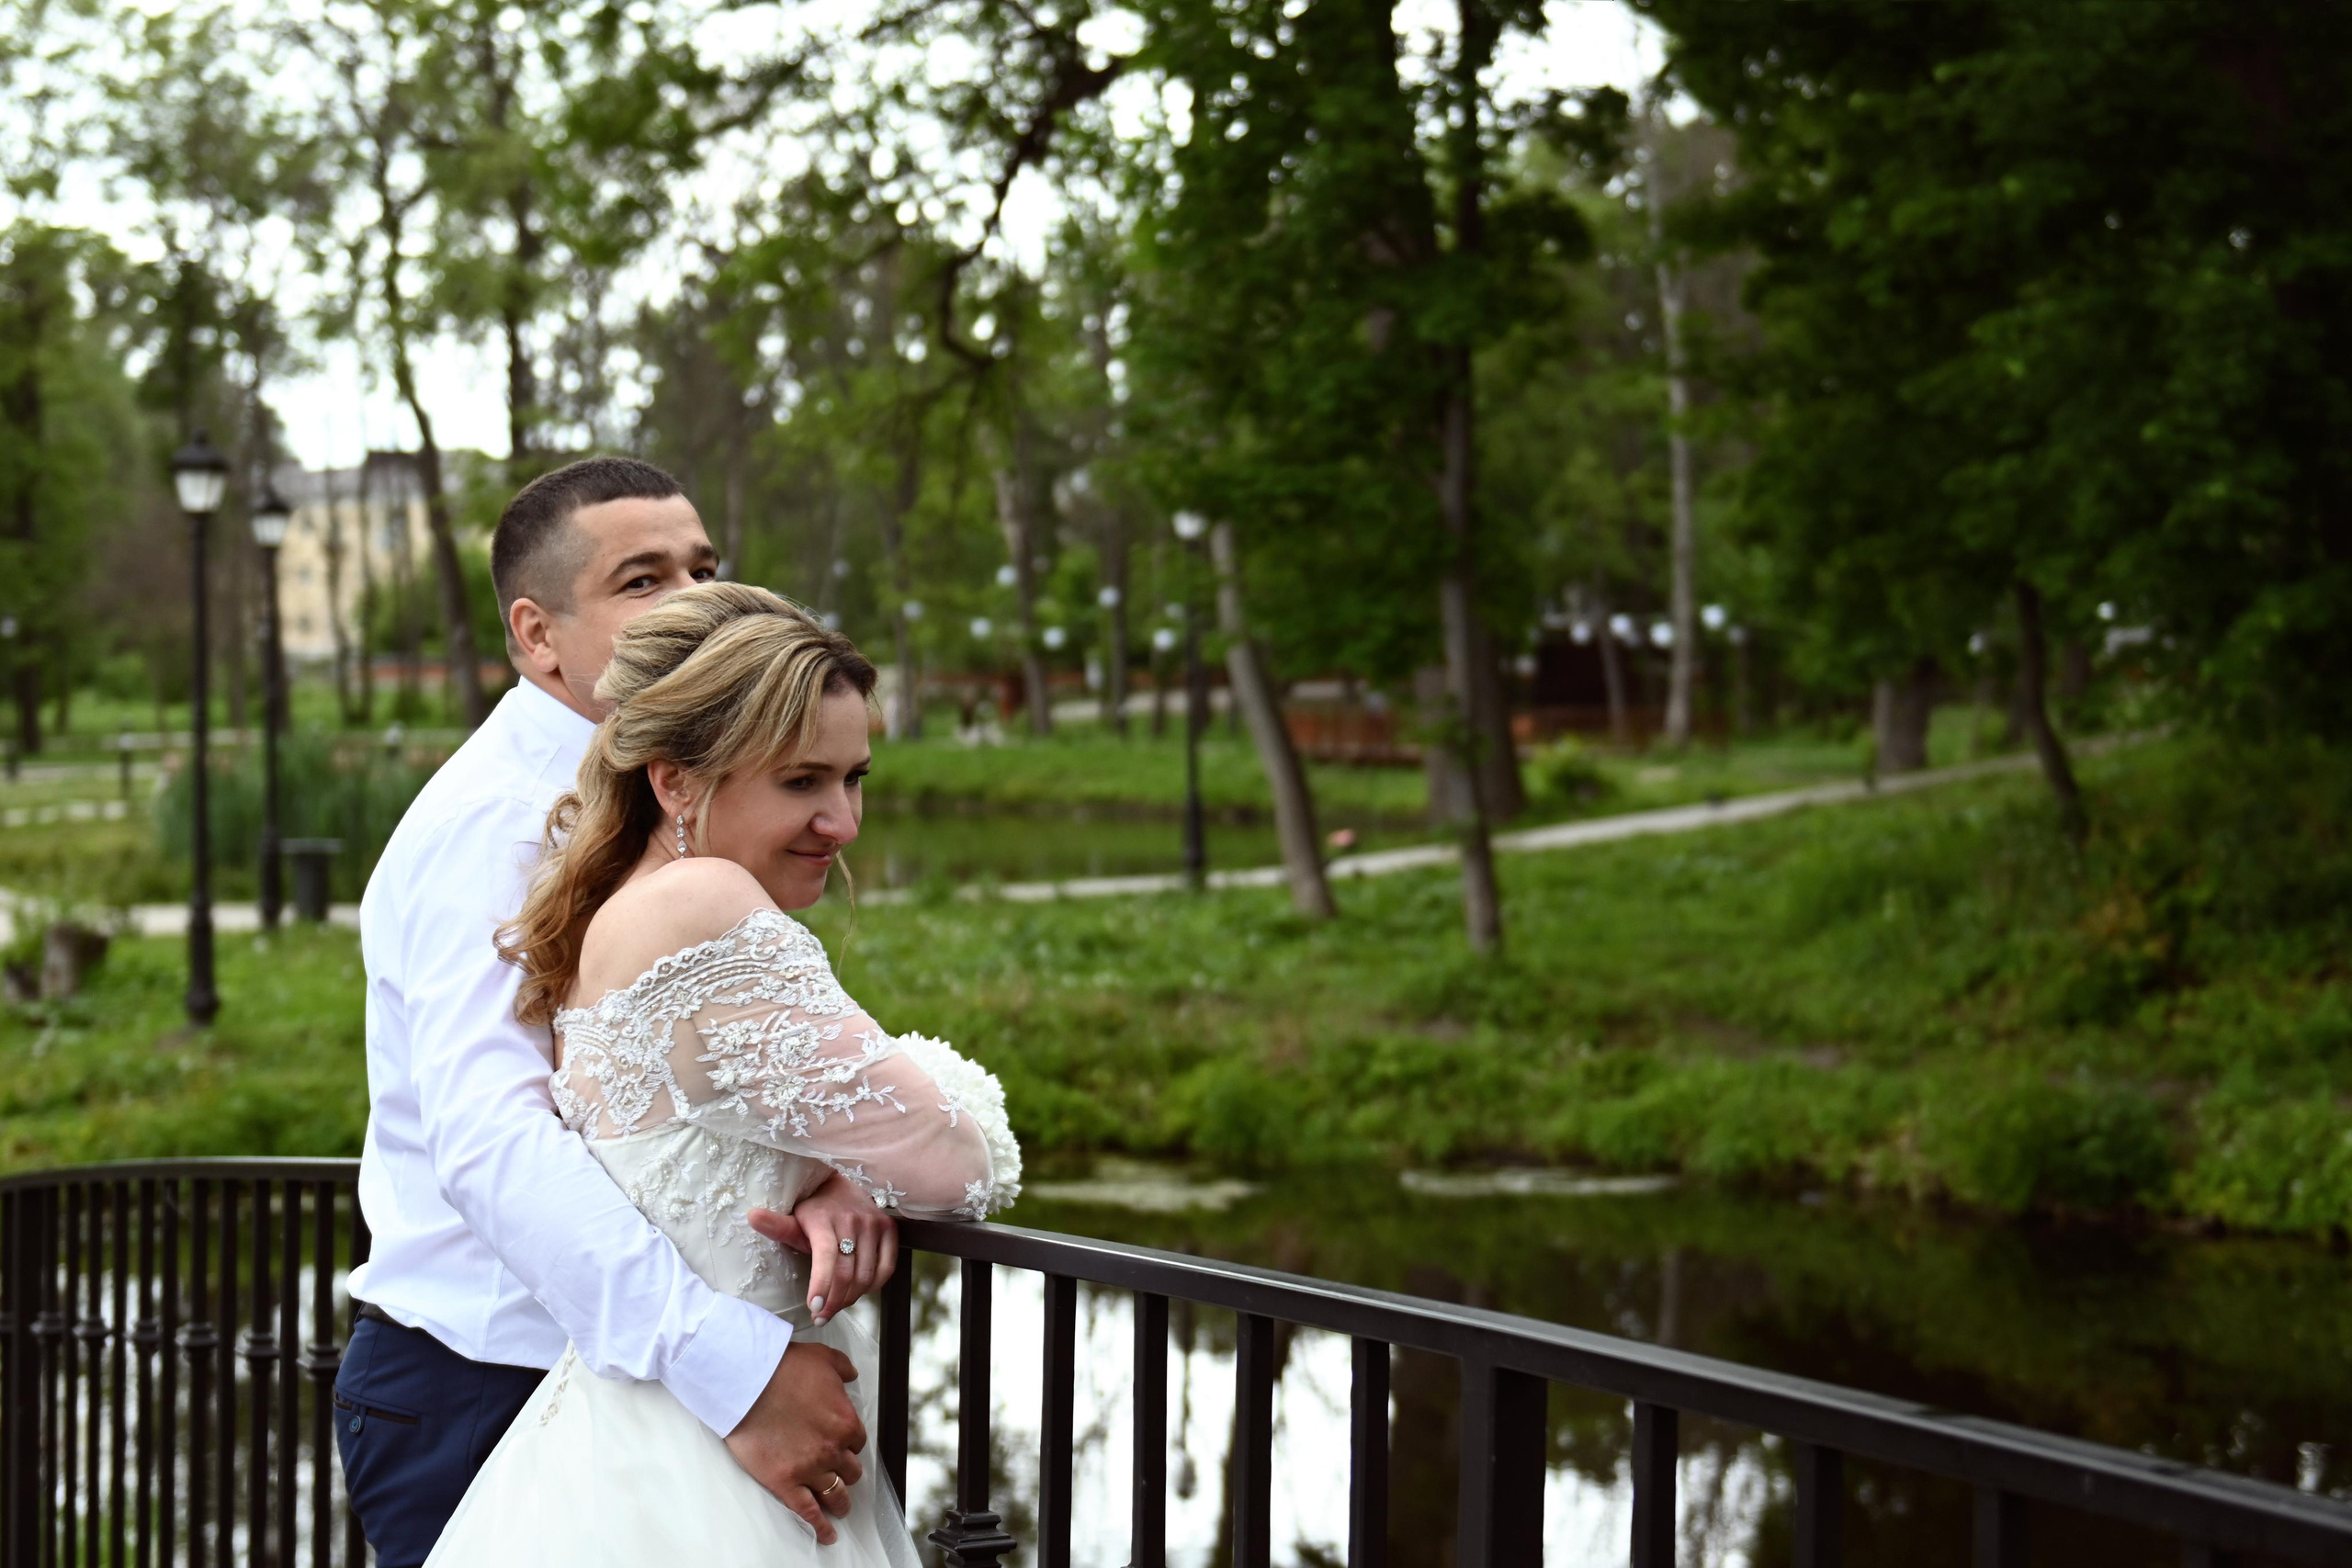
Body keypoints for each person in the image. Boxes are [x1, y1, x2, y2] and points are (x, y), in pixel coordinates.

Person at [336, 458, 902, 1562]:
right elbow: (495, 1141)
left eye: (704, 568)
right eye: (644, 580)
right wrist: (736, 1375)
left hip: (640, 1391)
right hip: (491, 1389)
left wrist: (829, 1167)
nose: (691, 601)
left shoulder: (667, 797)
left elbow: (685, 1076)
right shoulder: (495, 826)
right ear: (538, 635)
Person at [425, 581, 1018, 1564]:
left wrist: (830, 1167)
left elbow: (742, 1119)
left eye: (853, 778)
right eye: (801, 784)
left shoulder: (615, 906)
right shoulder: (705, 905)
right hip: (718, 1458)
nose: (843, 821)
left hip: (620, 1434)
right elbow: (961, 1166)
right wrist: (865, 1147)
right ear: (676, 783)